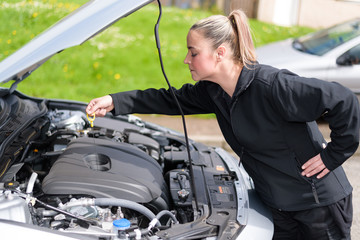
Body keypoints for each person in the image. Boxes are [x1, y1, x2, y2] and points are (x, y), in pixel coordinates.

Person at [86, 9, 359, 240]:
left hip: (318, 207)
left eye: (193, 52)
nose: (186, 59)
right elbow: (170, 100)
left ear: (220, 53)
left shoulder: (272, 86)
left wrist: (334, 154)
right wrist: (115, 100)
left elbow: (343, 100)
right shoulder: (213, 91)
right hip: (278, 205)